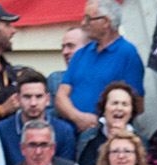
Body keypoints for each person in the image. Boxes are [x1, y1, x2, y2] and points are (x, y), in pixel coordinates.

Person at [55, 0, 145, 135]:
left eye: (88, 19)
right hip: (70, 131)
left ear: (106, 21)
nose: (83, 23)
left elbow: (137, 104)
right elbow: (61, 96)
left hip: (104, 134)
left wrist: (103, 123)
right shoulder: (81, 53)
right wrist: (78, 117)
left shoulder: (127, 53)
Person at [0, 69, 76, 165]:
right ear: (17, 99)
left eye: (39, 96)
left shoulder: (64, 131)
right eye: (27, 97)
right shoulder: (1, 130)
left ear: (47, 99)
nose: (33, 103)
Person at [74, 81, 140, 165]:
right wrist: (110, 144)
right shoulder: (88, 138)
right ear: (104, 110)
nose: (119, 108)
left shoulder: (141, 140)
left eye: (125, 104)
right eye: (115, 103)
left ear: (131, 112)